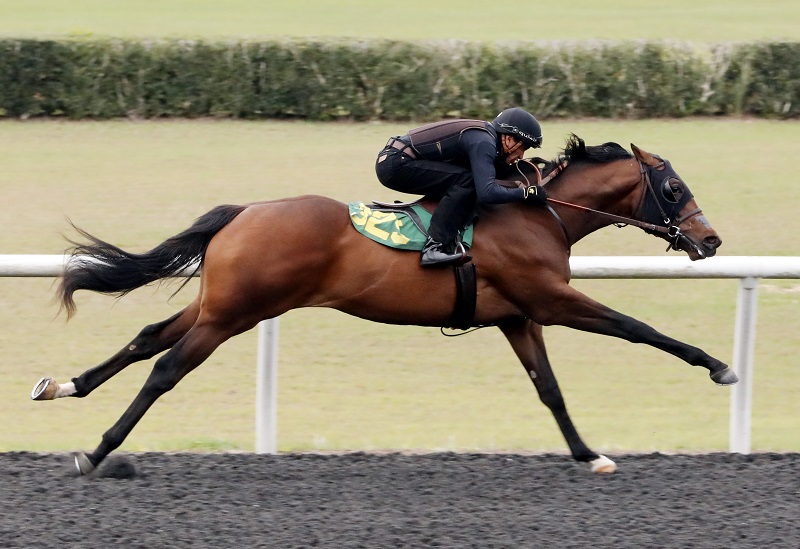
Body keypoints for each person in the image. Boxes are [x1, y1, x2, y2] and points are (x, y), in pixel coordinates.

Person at [375, 107, 548, 267]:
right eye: (523, 148)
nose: (521, 155)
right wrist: (526, 193)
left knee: (467, 180)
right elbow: (487, 193)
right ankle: (434, 248)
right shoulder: (484, 142)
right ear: (509, 139)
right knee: (466, 181)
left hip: (397, 159)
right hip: (396, 164)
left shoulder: (486, 137)